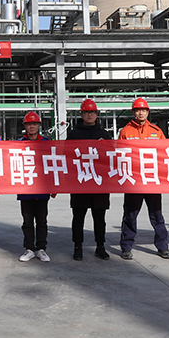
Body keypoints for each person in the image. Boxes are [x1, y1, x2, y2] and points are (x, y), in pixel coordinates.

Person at [118, 98, 169, 260]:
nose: (140, 113)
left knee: (157, 216)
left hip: (152, 181)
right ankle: (126, 247)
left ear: (148, 112)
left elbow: (166, 153)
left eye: (143, 110)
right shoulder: (125, 131)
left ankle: (163, 247)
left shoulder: (157, 131)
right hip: (133, 182)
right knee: (130, 215)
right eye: (137, 110)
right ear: (133, 112)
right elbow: (119, 154)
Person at [67, 99, 114, 261]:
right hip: (80, 182)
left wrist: (105, 146)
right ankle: (77, 246)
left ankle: (100, 246)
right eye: (86, 112)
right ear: (81, 115)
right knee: (78, 217)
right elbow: (67, 156)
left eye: (92, 112)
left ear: (96, 114)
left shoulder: (104, 135)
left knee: (99, 217)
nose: (89, 115)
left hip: (99, 182)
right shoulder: (73, 135)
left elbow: (112, 157)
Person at [17, 111, 52, 263]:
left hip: (42, 189)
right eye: (29, 124)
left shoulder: (46, 143)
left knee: (42, 221)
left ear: (39, 126)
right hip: (25, 190)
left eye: (35, 124)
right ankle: (29, 248)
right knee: (27, 221)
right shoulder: (18, 144)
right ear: (25, 126)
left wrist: (54, 186)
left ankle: (41, 248)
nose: (32, 126)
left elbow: (53, 164)